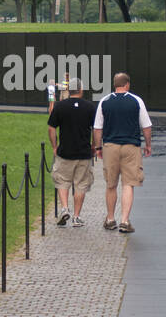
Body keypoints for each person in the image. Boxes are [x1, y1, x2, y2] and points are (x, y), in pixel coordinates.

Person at [92, 72, 152, 233]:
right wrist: (148, 144)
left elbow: (97, 128)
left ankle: (110, 219)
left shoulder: (105, 101)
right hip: (131, 147)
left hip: (110, 146)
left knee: (111, 184)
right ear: (127, 85)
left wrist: (98, 147)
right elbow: (146, 125)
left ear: (114, 85)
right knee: (128, 184)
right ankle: (124, 221)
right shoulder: (136, 101)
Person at [47, 78, 97, 227]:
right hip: (83, 152)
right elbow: (96, 129)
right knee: (81, 184)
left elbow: (51, 128)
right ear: (81, 90)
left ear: (69, 91)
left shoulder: (60, 106)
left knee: (62, 181)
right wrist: (94, 146)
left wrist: (54, 146)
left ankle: (64, 208)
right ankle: (76, 217)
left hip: (65, 151)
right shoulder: (89, 107)